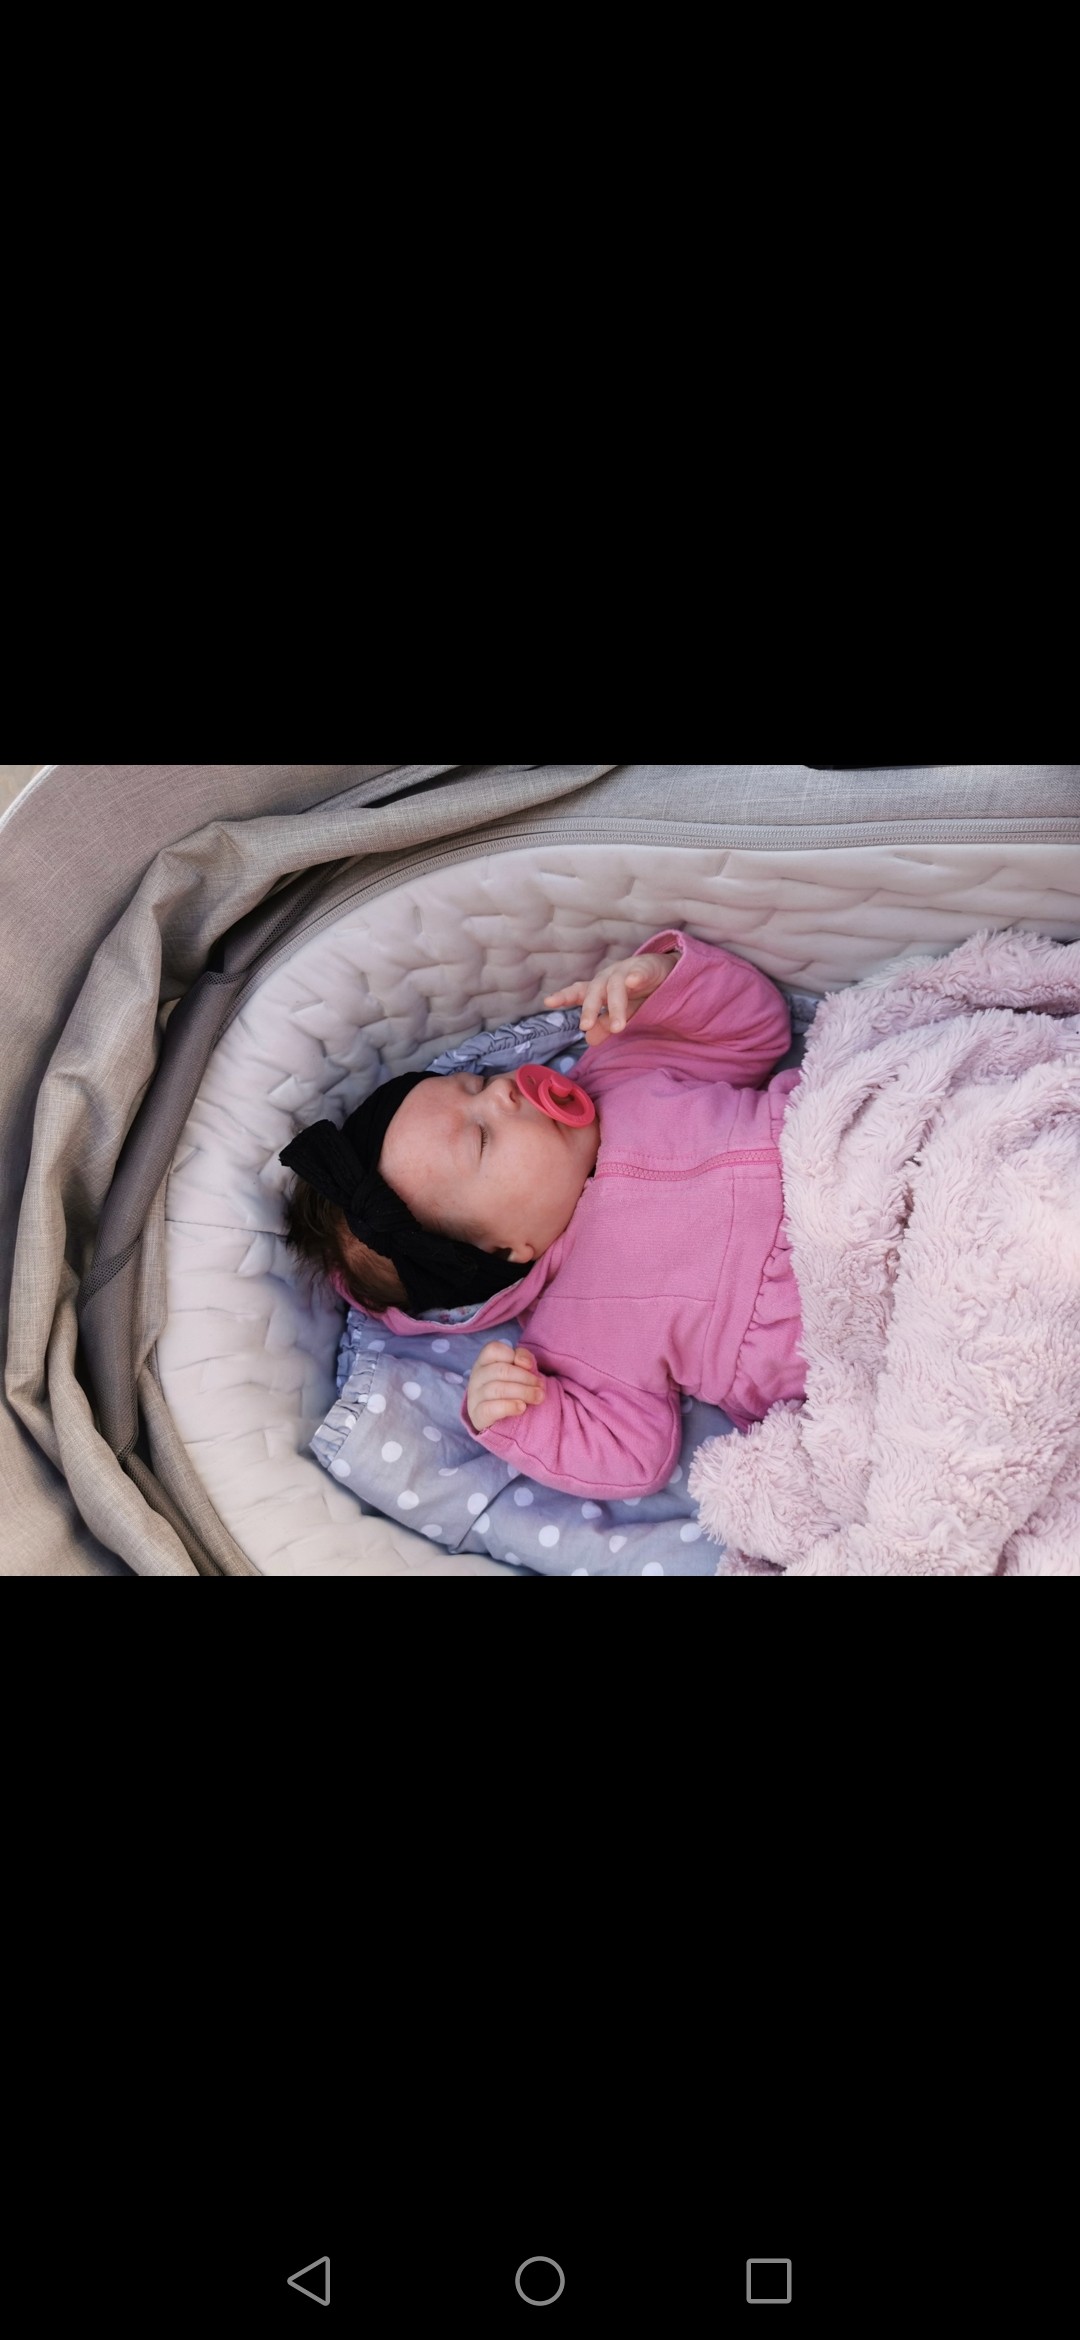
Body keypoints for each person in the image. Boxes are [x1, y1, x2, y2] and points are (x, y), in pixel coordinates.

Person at [280, 930, 808, 1501]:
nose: (501, 1094)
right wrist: (520, 1415)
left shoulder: (621, 1071)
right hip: (824, 1319)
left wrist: (662, 983)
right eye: (481, 1139)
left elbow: (754, 1031)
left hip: (839, 1146)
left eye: (478, 1084)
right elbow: (633, 1455)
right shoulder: (576, 1329)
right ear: (506, 1248)